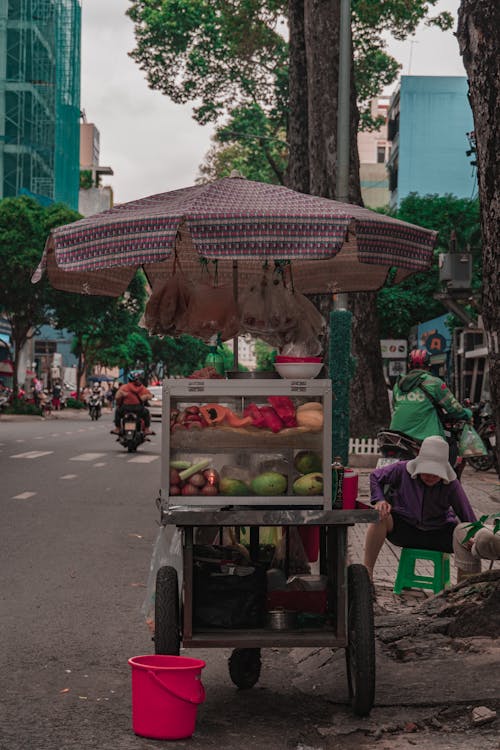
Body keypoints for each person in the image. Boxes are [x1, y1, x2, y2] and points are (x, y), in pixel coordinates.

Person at [363, 436, 477, 581]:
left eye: (435, 473)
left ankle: (465, 588)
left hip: (439, 534)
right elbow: (375, 476)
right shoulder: (401, 469)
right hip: (405, 530)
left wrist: (473, 534)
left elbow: (467, 514)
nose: (430, 476)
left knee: (466, 533)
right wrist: (379, 500)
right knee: (379, 515)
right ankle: (367, 575)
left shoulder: (452, 484)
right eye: (426, 471)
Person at [390, 349, 472, 442]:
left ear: (409, 366)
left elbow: (395, 406)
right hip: (425, 437)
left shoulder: (398, 385)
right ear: (429, 366)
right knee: (451, 443)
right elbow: (453, 407)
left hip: (397, 436)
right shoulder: (434, 383)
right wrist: (467, 413)